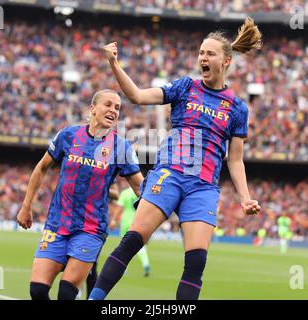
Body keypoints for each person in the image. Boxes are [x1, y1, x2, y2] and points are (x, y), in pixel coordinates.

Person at [89, 17, 262, 301]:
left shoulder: (237, 108)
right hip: (169, 175)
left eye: (210, 53)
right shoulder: (185, 87)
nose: (202, 58)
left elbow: (235, 160)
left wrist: (244, 197)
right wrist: (114, 64)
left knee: (196, 263)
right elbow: (137, 96)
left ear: (227, 61)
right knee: (132, 241)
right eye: (201, 53)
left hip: (203, 187)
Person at [17, 89, 143, 300]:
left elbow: (140, 188)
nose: (113, 110)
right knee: (37, 291)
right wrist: (26, 205)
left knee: (66, 294)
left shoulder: (121, 147)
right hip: (57, 224)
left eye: (117, 107)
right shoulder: (68, 135)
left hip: (90, 229)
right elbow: (41, 168)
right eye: (108, 104)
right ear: (92, 108)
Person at [110, 185, 150, 277]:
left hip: (126, 220)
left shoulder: (125, 193)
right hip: (138, 219)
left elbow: (119, 208)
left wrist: (114, 220)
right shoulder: (141, 192)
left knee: (124, 245)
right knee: (139, 245)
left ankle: (123, 269)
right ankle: (146, 263)